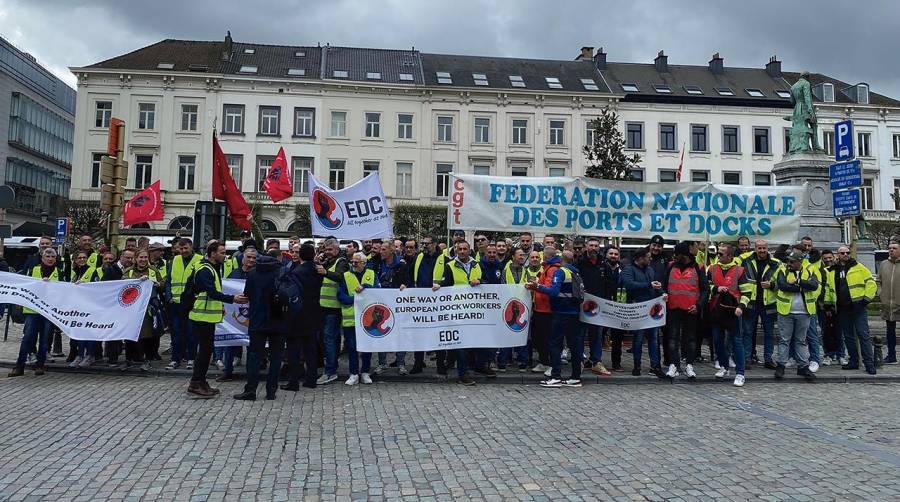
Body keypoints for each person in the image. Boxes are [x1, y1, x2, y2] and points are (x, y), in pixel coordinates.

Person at [186, 242, 248, 398]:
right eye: (221, 252)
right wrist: (232, 298)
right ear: (212, 254)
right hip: (202, 316)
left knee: (206, 351)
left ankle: (201, 381)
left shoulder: (212, 268)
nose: (224, 255)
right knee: (204, 351)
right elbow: (212, 292)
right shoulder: (205, 270)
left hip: (208, 315)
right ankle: (195, 383)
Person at [233, 250, 285, 401]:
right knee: (276, 357)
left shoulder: (253, 273)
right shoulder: (281, 272)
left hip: (257, 319)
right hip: (278, 320)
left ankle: (250, 390)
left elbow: (247, 294)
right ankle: (271, 391)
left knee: (254, 356)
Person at [530, 250, 583, 388]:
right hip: (575, 313)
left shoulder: (561, 272)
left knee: (555, 344)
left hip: (561, 312)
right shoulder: (576, 272)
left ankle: (556, 376)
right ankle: (575, 377)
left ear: (562, 260)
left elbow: (553, 291)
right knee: (574, 345)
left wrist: (538, 286)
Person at [433, 240, 482, 385]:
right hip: (456, 311)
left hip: (473, 310)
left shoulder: (477, 265)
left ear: (469, 250)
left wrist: (479, 281)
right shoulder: (450, 266)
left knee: (470, 343)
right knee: (460, 343)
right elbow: (446, 283)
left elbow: (484, 280)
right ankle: (463, 374)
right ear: (456, 251)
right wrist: (439, 285)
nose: (462, 251)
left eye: (464, 249)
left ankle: (463, 368)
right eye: (459, 249)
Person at [826, 245, 877, 374]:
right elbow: (828, 288)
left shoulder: (858, 267)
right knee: (848, 336)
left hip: (858, 306)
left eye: (847, 252)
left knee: (863, 335)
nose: (845, 254)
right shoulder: (832, 270)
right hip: (842, 308)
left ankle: (869, 363)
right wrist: (828, 303)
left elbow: (871, 283)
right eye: (842, 253)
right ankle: (853, 361)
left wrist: (866, 299)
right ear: (837, 255)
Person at [8, 248, 59, 377]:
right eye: (47, 256)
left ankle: (40, 365)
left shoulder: (60, 272)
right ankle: (19, 365)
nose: (50, 258)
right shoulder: (33, 270)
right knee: (27, 338)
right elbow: (23, 285)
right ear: (42, 257)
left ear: (55, 258)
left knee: (44, 340)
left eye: (53, 256)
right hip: (32, 311)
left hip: (48, 312)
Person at [663, 242, 708, 379]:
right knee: (672, 338)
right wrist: (663, 293)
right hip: (673, 308)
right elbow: (665, 285)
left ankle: (689, 364)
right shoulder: (670, 266)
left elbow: (706, 290)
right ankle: (674, 365)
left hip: (691, 310)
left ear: (684, 255)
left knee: (690, 339)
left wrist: (699, 305)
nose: (675, 257)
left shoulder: (699, 267)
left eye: (677, 254)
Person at [282, 243, 324, 391]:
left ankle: (293, 381)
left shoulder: (296, 272)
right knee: (311, 348)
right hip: (314, 311)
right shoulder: (318, 270)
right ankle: (311, 379)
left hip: (298, 313)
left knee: (294, 349)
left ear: (300, 255)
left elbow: (291, 294)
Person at [774, 247, 818, 382]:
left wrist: (798, 282)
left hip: (804, 312)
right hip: (785, 311)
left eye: (792, 262)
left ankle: (803, 366)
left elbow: (814, 285)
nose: (789, 264)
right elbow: (782, 285)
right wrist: (801, 287)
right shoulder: (782, 270)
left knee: (801, 340)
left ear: (800, 261)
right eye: (789, 261)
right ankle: (781, 365)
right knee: (784, 340)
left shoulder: (810, 270)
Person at [215, 247, 258, 382]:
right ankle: (227, 371)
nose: (251, 260)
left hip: (253, 315)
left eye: (254, 258)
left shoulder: (258, 274)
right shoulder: (234, 274)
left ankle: (251, 373)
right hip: (235, 316)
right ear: (243, 258)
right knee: (230, 343)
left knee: (253, 346)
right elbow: (227, 292)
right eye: (249, 257)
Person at [621, 246, 665, 377]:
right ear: (640, 258)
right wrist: (649, 285)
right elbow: (629, 284)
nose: (651, 259)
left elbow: (655, 287)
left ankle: (655, 366)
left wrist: (662, 293)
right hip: (637, 308)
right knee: (638, 339)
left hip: (651, 309)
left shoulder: (650, 270)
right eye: (648, 257)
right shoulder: (629, 270)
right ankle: (637, 365)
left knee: (654, 339)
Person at [338, 252, 379, 385]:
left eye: (356, 262)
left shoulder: (371, 274)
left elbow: (377, 290)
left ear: (363, 263)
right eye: (352, 262)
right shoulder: (346, 276)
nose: (353, 264)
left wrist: (366, 288)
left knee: (367, 347)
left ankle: (365, 372)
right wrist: (355, 299)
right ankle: (354, 373)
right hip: (351, 318)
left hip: (368, 319)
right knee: (351, 347)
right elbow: (341, 295)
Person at [709, 244, 747, 386]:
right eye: (718, 253)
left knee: (737, 341)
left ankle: (740, 373)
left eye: (721, 254)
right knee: (717, 340)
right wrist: (716, 288)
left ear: (730, 256)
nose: (718, 256)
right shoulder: (711, 269)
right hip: (716, 310)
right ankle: (724, 366)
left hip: (733, 310)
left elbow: (747, 292)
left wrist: (741, 306)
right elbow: (706, 286)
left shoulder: (740, 271)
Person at [739, 240, 780, 369]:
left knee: (769, 333)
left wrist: (772, 285)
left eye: (764, 248)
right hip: (750, 301)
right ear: (755, 248)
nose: (762, 250)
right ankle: (747, 359)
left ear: (767, 248)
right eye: (759, 248)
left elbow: (782, 282)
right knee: (748, 332)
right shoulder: (745, 260)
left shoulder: (776, 263)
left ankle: (768, 359)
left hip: (768, 303)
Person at [371, 240, 410, 376]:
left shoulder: (401, 265)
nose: (380, 252)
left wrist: (405, 285)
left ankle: (401, 363)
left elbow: (407, 281)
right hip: (381, 303)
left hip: (397, 305)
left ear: (391, 251)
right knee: (381, 332)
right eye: (380, 249)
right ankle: (382, 363)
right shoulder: (377, 263)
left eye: (383, 249)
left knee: (400, 334)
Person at [408, 236, 445, 373]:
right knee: (419, 333)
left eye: (427, 244)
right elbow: (411, 274)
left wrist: (441, 285)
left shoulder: (442, 258)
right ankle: (418, 364)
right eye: (423, 243)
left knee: (439, 333)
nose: (424, 246)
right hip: (421, 301)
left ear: (434, 244)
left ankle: (441, 366)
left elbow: (447, 277)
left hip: (437, 301)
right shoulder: (419, 257)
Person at [315, 238, 349, 384]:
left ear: (336, 249)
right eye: (325, 250)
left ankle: (330, 371)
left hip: (334, 307)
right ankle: (331, 366)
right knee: (328, 339)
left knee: (329, 339)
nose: (327, 252)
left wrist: (325, 272)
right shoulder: (328, 261)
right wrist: (317, 262)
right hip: (323, 306)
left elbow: (341, 277)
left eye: (329, 250)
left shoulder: (341, 261)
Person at [165, 238, 201, 370]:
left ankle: (191, 358)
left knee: (192, 332)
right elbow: (168, 280)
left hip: (192, 303)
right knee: (176, 333)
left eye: (185, 248)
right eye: (181, 249)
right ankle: (175, 359)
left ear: (191, 247)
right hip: (176, 303)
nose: (183, 251)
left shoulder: (199, 260)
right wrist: (169, 296)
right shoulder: (174, 260)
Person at [124, 249, 162, 371]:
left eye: (145, 257)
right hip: (132, 308)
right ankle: (129, 359)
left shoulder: (153, 271)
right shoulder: (129, 272)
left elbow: (162, 284)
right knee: (130, 333)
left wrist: (158, 284)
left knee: (147, 333)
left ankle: (148, 359)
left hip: (148, 308)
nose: (143, 260)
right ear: (135, 258)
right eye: (141, 257)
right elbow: (121, 285)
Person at [577, 237, 609, 376]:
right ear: (586, 246)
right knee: (580, 334)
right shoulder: (579, 263)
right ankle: (578, 360)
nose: (594, 248)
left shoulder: (604, 263)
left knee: (597, 334)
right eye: (591, 245)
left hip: (598, 305)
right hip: (582, 304)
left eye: (596, 245)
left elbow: (608, 284)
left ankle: (596, 361)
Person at [498, 248, 529, 371]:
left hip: (522, 305)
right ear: (513, 257)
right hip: (509, 305)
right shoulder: (506, 270)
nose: (522, 257)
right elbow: (502, 287)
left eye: (523, 255)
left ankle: (523, 361)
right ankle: (503, 361)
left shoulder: (525, 270)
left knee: (522, 333)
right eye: (520, 255)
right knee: (507, 334)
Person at [529, 246, 558, 375]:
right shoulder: (546, 268)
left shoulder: (552, 270)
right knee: (539, 338)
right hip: (540, 308)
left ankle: (552, 364)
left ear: (546, 256)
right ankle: (544, 362)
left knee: (548, 339)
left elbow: (549, 289)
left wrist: (536, 286)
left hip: (547, 310)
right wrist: (535, 287)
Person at [877, 241, 900, 365]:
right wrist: (881, 294)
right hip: (888, 304)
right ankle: (891, 355)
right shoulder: (883, 264)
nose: (891, 250)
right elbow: (878, 280)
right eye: (890, 248)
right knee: (890, 330)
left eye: (894, 248)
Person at [816, 250, 841, 364]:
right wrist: (824, 306)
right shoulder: (820, 271)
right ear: (822, 258)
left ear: (834, 257)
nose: (828, 260)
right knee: (826, 332)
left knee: (839, 331)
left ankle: (840, 354)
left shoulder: (839, 269)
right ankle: (828, 354)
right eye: (825, 258)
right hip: (823, 306)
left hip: (838, 305)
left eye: (830, 257)